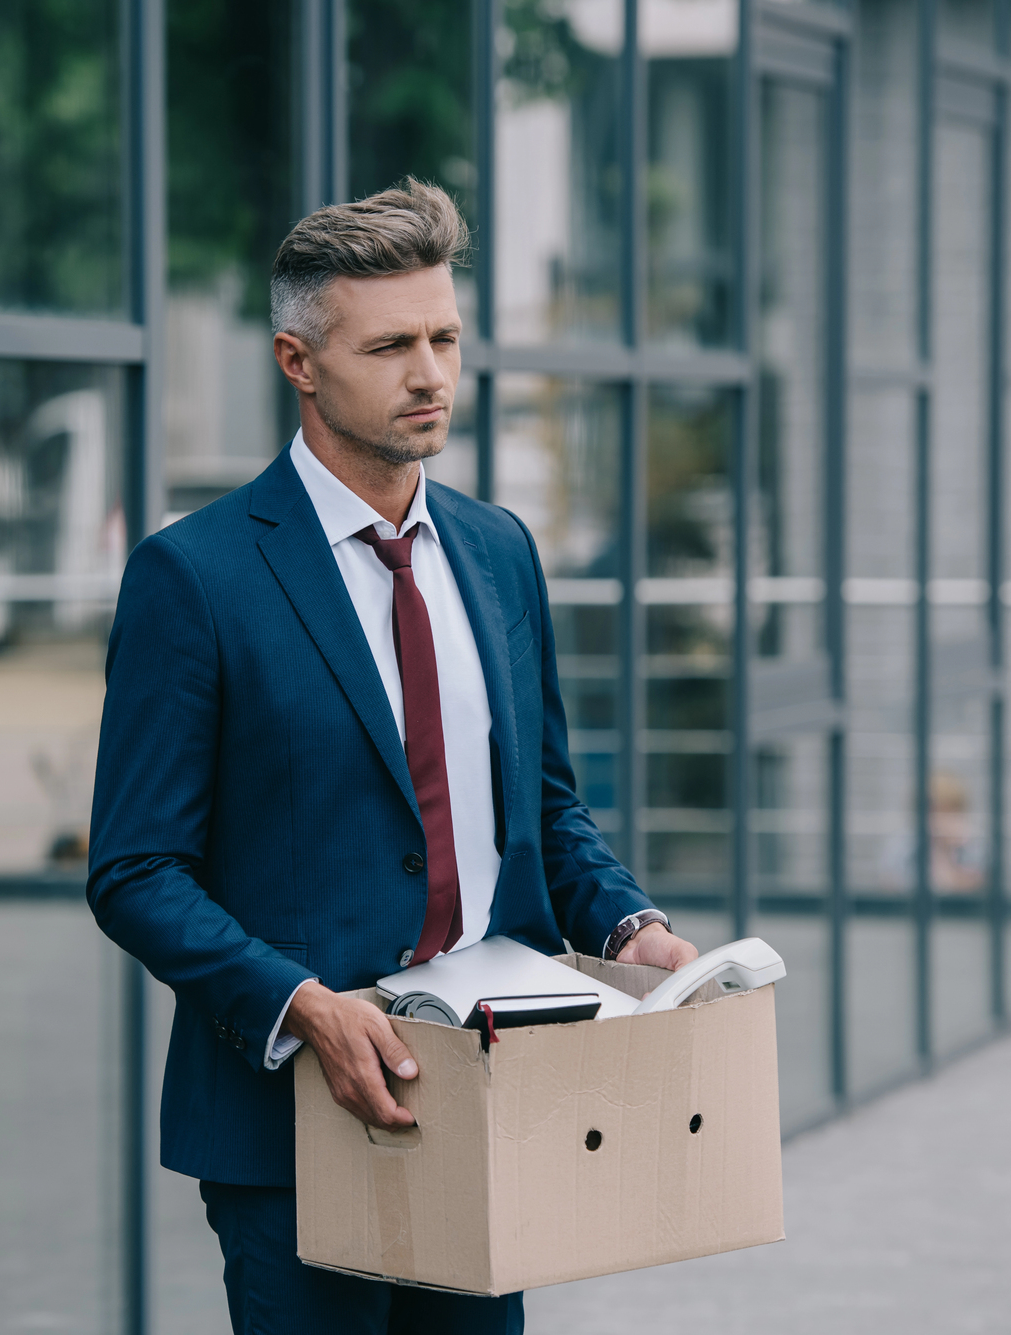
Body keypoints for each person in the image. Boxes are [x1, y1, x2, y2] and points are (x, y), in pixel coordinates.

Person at [87, 179, 699, 1335]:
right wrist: (301, 1003)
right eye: (390, 346)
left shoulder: (497, 551)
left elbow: (542, 806)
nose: (429, 374)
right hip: (296, 1119)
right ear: (298, 361)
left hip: (493, 1089)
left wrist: (626, 926)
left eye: (444, 338)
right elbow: (133, 872)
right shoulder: (197, 577)